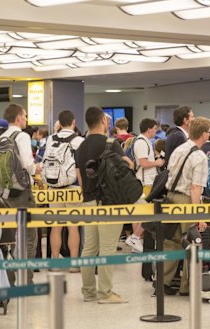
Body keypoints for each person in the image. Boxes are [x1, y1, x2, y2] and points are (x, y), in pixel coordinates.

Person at [75, 106, 133, 304]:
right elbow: (128, 165)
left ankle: (88, 291)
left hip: (88, 201)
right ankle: (106, 293)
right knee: (107, 248)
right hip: (109, 203)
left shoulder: (81, 147)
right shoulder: (111, 143)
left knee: (89, 248)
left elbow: (80, 177)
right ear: (102, 122)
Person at [162, 117, 210, 296]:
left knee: (171, 242)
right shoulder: (199, 157)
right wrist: (200, 215)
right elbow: (196, 188)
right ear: (205, 134)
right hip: (186, 201)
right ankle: (187, 286)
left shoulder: (179, 150)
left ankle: (164, 282)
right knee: (191, 243)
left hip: (170, 198)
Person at [0, 104, 42, 283]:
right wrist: (36, 168)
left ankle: (9, 277)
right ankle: (26, 278)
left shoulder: (1, 137)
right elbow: (27, 163)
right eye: (24, 116)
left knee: (10, 236)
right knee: (29, 236)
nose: (26, 119)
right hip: (22, 192)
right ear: (18, 118)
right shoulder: (21, 136)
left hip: (4, 192)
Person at [44, 110, 84, 271]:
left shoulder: (50, 139)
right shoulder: (79, 141)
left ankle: (54, 264)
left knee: (56, 226)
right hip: (72, 186)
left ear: (59, 123)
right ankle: (74, 264)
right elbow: (80, 166)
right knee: (73, 226)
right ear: (73, 122)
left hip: (53, 187)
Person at [125, 118, 164, 253]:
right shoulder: (141, 142)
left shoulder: (144, 141)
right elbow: (144, 163)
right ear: (149, 129)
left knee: (142, 214)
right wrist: (158, 163)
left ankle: (136, 241)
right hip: (144, 183)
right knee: (146, 214)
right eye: (154, 128)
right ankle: (135, 238)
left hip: (146, 182)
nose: (156, 130)